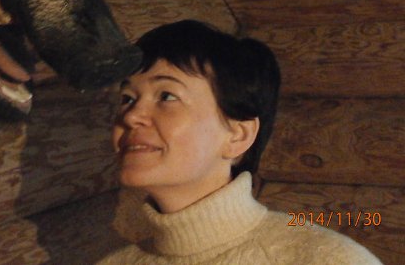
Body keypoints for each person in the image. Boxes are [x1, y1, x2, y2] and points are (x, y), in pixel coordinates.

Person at [98, 20, 381, 264]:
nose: (131, 116)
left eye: (167, 96)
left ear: (238, 135)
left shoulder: (326, 260)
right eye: (128, 99)